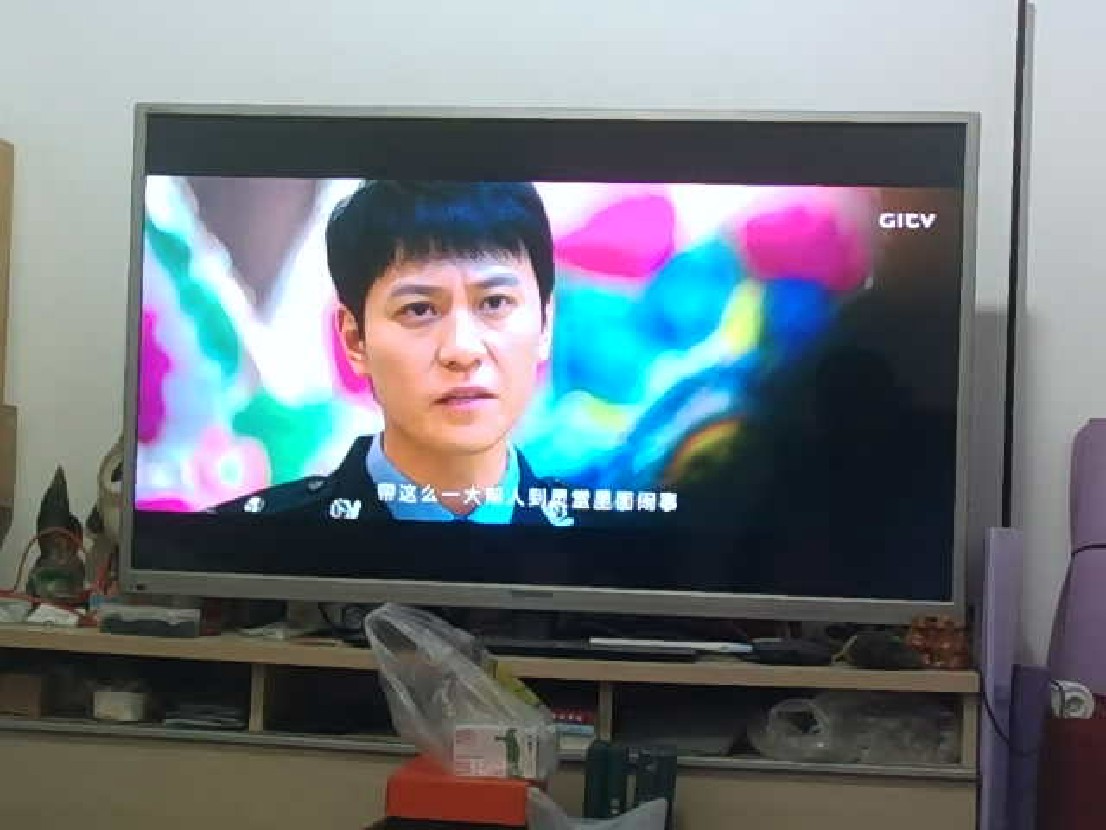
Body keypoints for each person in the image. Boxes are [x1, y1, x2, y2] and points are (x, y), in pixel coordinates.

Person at [216, 180, 573, 526]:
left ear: (545, 323)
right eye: (419, 309)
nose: (462, 349)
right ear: (355, 339)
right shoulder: (240, 541)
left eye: (495, 303)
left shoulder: (601, 537)